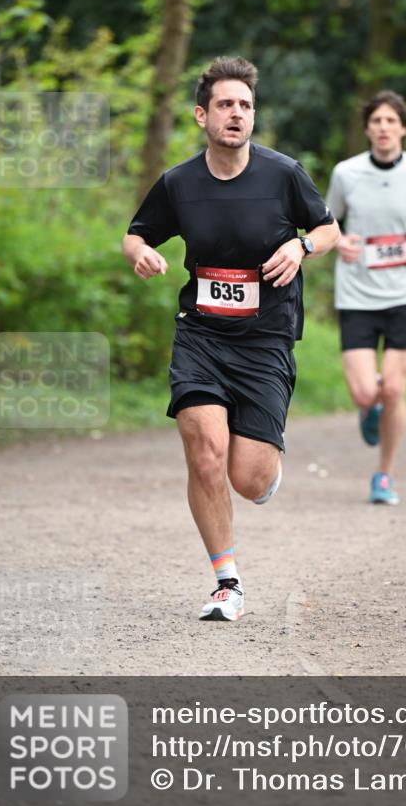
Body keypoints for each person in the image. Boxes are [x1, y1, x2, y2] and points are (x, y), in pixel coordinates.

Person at [123, 56, 339, 621]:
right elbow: (136, 232)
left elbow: (328, 228)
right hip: (200, 336)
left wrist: (302, 246)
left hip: (266, 340)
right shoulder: (179, 183)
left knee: (249, 477)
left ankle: (266, 471)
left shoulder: (282, 174)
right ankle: (227, 581)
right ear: (202, 115)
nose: (236, 113)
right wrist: (142, 252)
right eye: (225, 104)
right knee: (204, 453)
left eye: (245, 105)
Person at [326, 90, 406, 505]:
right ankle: (370, 408)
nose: (383, 127)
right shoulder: (345, 174)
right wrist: (339, 241)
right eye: (376, 121)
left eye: (391, 121)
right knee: (367, 392)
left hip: (404, 294)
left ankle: (384, 475)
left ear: (403, 127)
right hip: (357, 295)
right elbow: (326, 223)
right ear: (367, 128)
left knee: (395, 390)